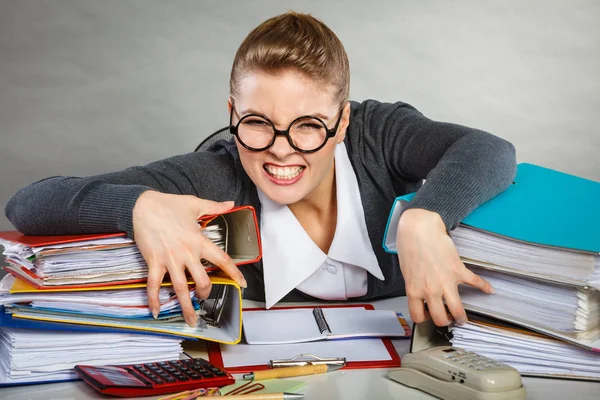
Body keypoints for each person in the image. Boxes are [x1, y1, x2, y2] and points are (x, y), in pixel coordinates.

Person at [4, 12, 516, 328]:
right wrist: (138, 204)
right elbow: (27, 203)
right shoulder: (215, 179)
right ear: (232, 116)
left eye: (309, 125)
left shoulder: (378, 136)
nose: (281, 152)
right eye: (257, 123)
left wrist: (423, 217)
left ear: (342, 123)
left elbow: (488, 150)